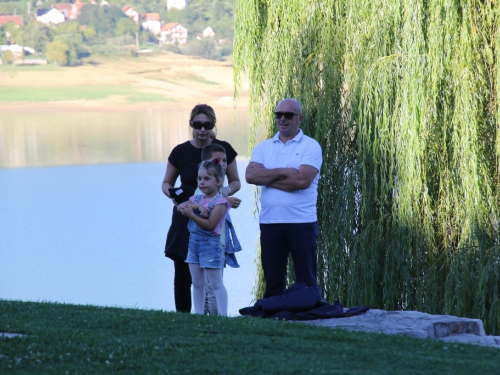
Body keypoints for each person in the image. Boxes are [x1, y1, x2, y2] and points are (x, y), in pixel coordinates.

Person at [162, 104, 240, 313]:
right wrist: (174, 196)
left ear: (213, 125)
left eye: (208, 125)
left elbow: (235, 182)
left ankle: (214, 315)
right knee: (182, 270)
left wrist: (223, 195)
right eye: (198, 124)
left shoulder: (222, 149)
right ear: (191, 125)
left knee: (212, 271)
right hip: (184, 213)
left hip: (213, 214)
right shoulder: (180, 151)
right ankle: (184, 316)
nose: (203, 129)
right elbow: (166, 183)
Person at [245, 98, 322, 298]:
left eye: (288, 115)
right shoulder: (264, 147)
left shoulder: (311, 147)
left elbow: (302, 181)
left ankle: (309, 319)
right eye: (278, 115)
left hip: (301, 223)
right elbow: (251, 176)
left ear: (300, 119)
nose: (282, 119)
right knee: (273, 281)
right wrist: (284, 171)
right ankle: (273, 320)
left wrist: (267, 176)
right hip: (271, 222)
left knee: (306, 280)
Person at [177, 160, 231, 316]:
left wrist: (192, 215)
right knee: (197, 283)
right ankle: (199, 314)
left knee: (215, 283)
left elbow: (210, 225)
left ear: (218, 181)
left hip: (210, 246)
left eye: (207, 179)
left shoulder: (220, 202)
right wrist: (198, 207)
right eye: (199, 179)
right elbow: (180, 207)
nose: (202, 182)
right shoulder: (196, 199)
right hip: (193, 245)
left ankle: (223, 315)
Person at [199, 144, 242, 315]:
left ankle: (211, 320)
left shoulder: (218, 191)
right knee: (211, 287)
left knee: (212, 285)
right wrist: (224, 202)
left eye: (225, 161)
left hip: (218, 243)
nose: (223, 164)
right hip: (210, 244)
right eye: (218, 160)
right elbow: (204, 213)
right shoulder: (204, 189)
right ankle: (214, 320)